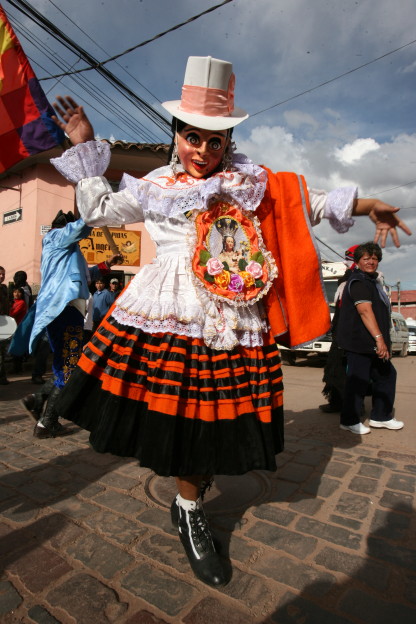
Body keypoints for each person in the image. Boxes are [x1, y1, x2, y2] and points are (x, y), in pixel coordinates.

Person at [48, 56, 411, 587]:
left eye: (215, 141)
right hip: (171, 311)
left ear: (228, 142)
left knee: (218, 416)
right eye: (194, 138)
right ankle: (190, 509)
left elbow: (304, 204)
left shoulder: (252, 181)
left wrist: (370, 202)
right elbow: (100, 211)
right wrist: (85, 146)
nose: (203, 151)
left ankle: (189, 497)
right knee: (186, 418)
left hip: (237, 313)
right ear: (177, 136)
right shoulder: (157, 184)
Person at [19, 209, 122, 437]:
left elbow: (85, 276)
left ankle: (38, 401)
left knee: (68, 364)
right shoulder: (55, 237)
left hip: (72, 309)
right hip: (64, 308)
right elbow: (79, 228)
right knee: (69, 366)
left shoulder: (70, 250)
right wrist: (94, 210)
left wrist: (106, 264)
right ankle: (46, 422)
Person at [337, 242, 403, 434]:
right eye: (366, 258)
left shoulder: (373, 282)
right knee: (357, 381)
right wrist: (379, 339)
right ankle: (349, 420)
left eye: (374, 258)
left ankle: (381, 417)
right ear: (358, 261)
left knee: (387, 375)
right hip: (360, 342)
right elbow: (365, 311)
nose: (371, 262)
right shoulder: (358, 281)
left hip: (373, 343)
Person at [319, 245, 359, 413]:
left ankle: (349, 406)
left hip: (348, 331)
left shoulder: (353, 279)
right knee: (338, 369)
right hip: (342, 330)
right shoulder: (349, 277)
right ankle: (339, 403)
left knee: (343, 371)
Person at [0, 267, 10, 385]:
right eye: (0, 274)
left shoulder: (4, 288)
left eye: (3, 274)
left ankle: (2, 377)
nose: (2, 276)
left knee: (2, 352)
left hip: (4, 323)